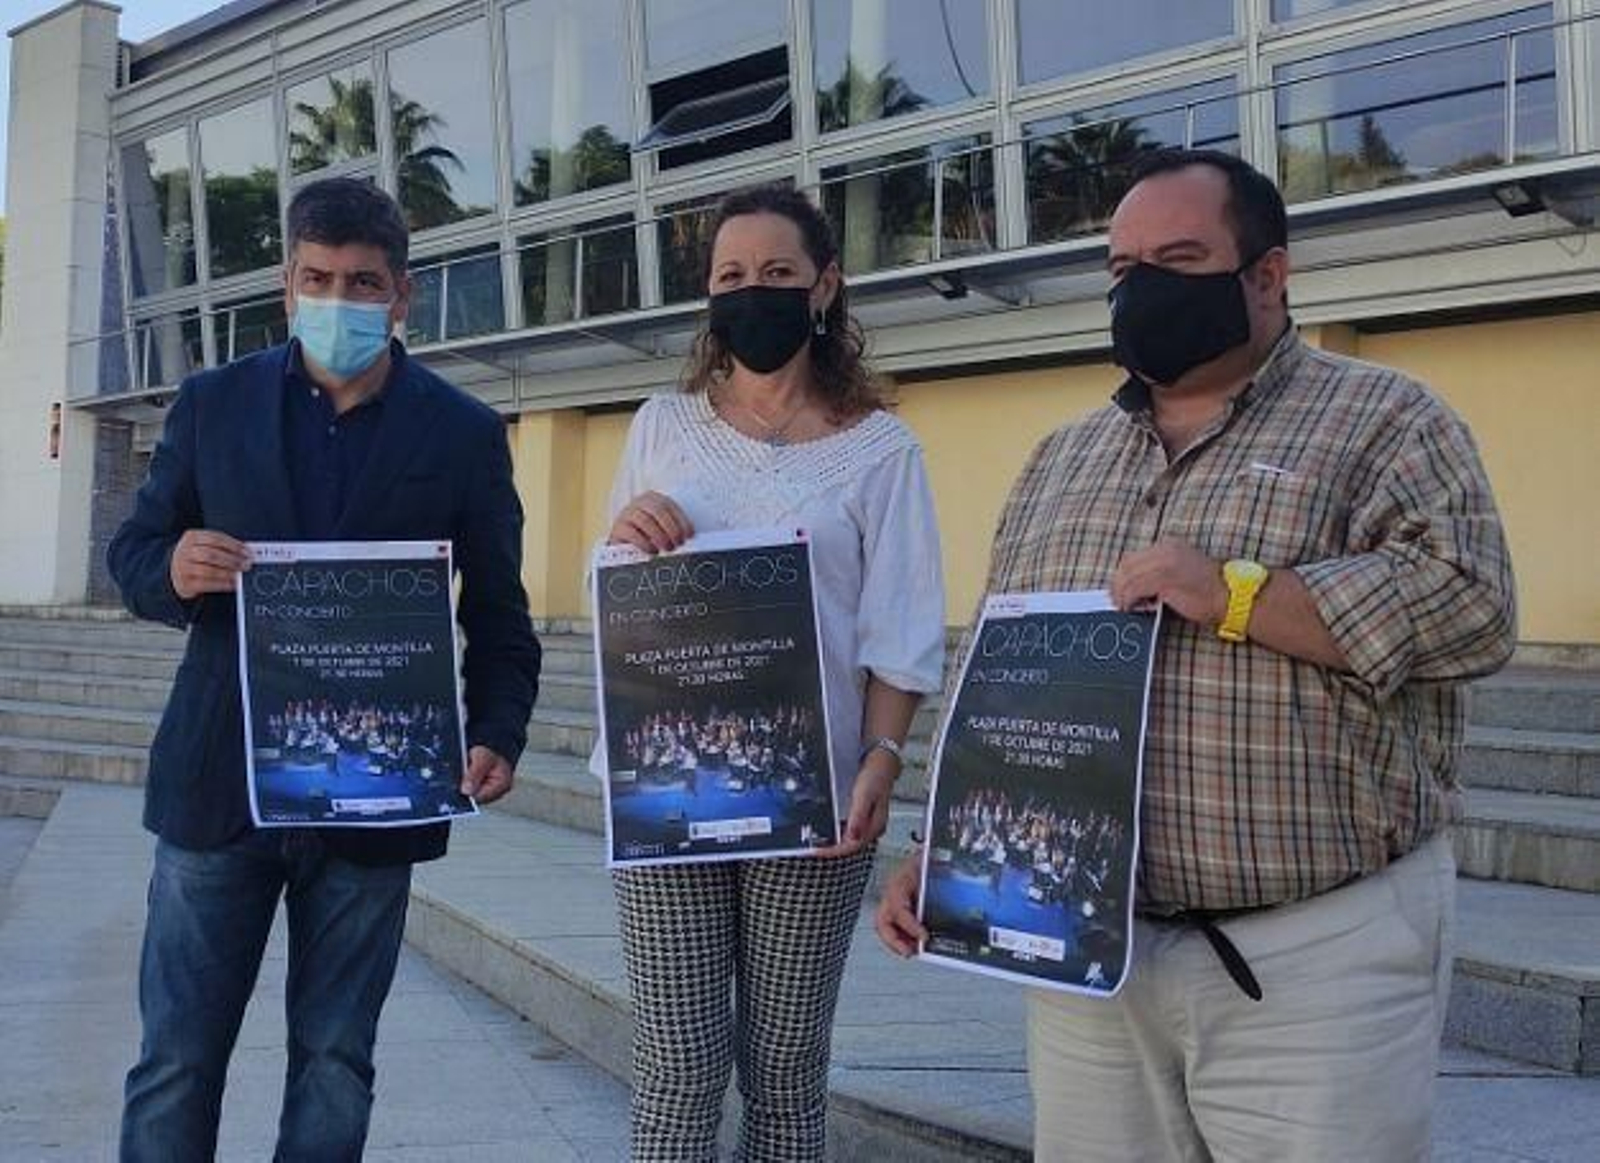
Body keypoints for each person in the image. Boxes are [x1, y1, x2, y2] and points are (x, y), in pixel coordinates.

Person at [876, 149, 1516, 1162]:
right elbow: (1001, 670)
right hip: (1093, 952)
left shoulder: (1386, 418)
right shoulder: (1060, 455)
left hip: (1313, 952)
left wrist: (1238, 593)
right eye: (1124, 269)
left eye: (1177, 257)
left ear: (1267, 274)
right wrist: (946, 844)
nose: (1142, 288)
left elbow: (1473, 608)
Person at [109, 177, 541, 1162]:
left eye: (361, 283)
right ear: (285, 281)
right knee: (175, 1056)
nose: (337, 299)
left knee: (337, 1058)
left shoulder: (463, 433)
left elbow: (502, 618)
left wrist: (497, 730)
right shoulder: (212, 404)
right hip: (217, 787)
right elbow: (132, 551)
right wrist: (172, 568)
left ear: (402, 296)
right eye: (317, 278)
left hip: (375, 795)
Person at [603, 183, 945, 1160]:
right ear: (709, 297)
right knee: (675, 1062)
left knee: (788, 1068)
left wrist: (881, 758)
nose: (754, 292)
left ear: (824, 286)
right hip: (666, 788)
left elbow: (902, 626)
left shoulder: (882, 451)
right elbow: (619, 595)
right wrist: (627, 537)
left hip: (815, 796)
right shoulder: (661, 427)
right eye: (732, 276)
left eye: (778, 274)